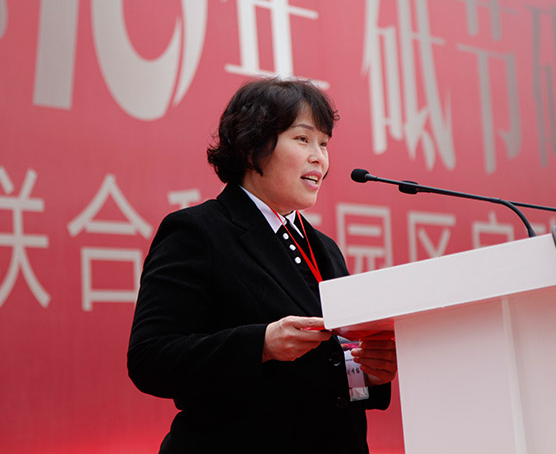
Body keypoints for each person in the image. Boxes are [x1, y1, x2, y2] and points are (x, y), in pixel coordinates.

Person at [127, 77, 397, 453]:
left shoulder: (325, 248)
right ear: (252, 146)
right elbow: (150, 359)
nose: (319, 158)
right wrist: (262, 344)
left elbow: (337, 363)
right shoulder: (198, 231)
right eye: (302, 139)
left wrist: (369, 372)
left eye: (324, 143)